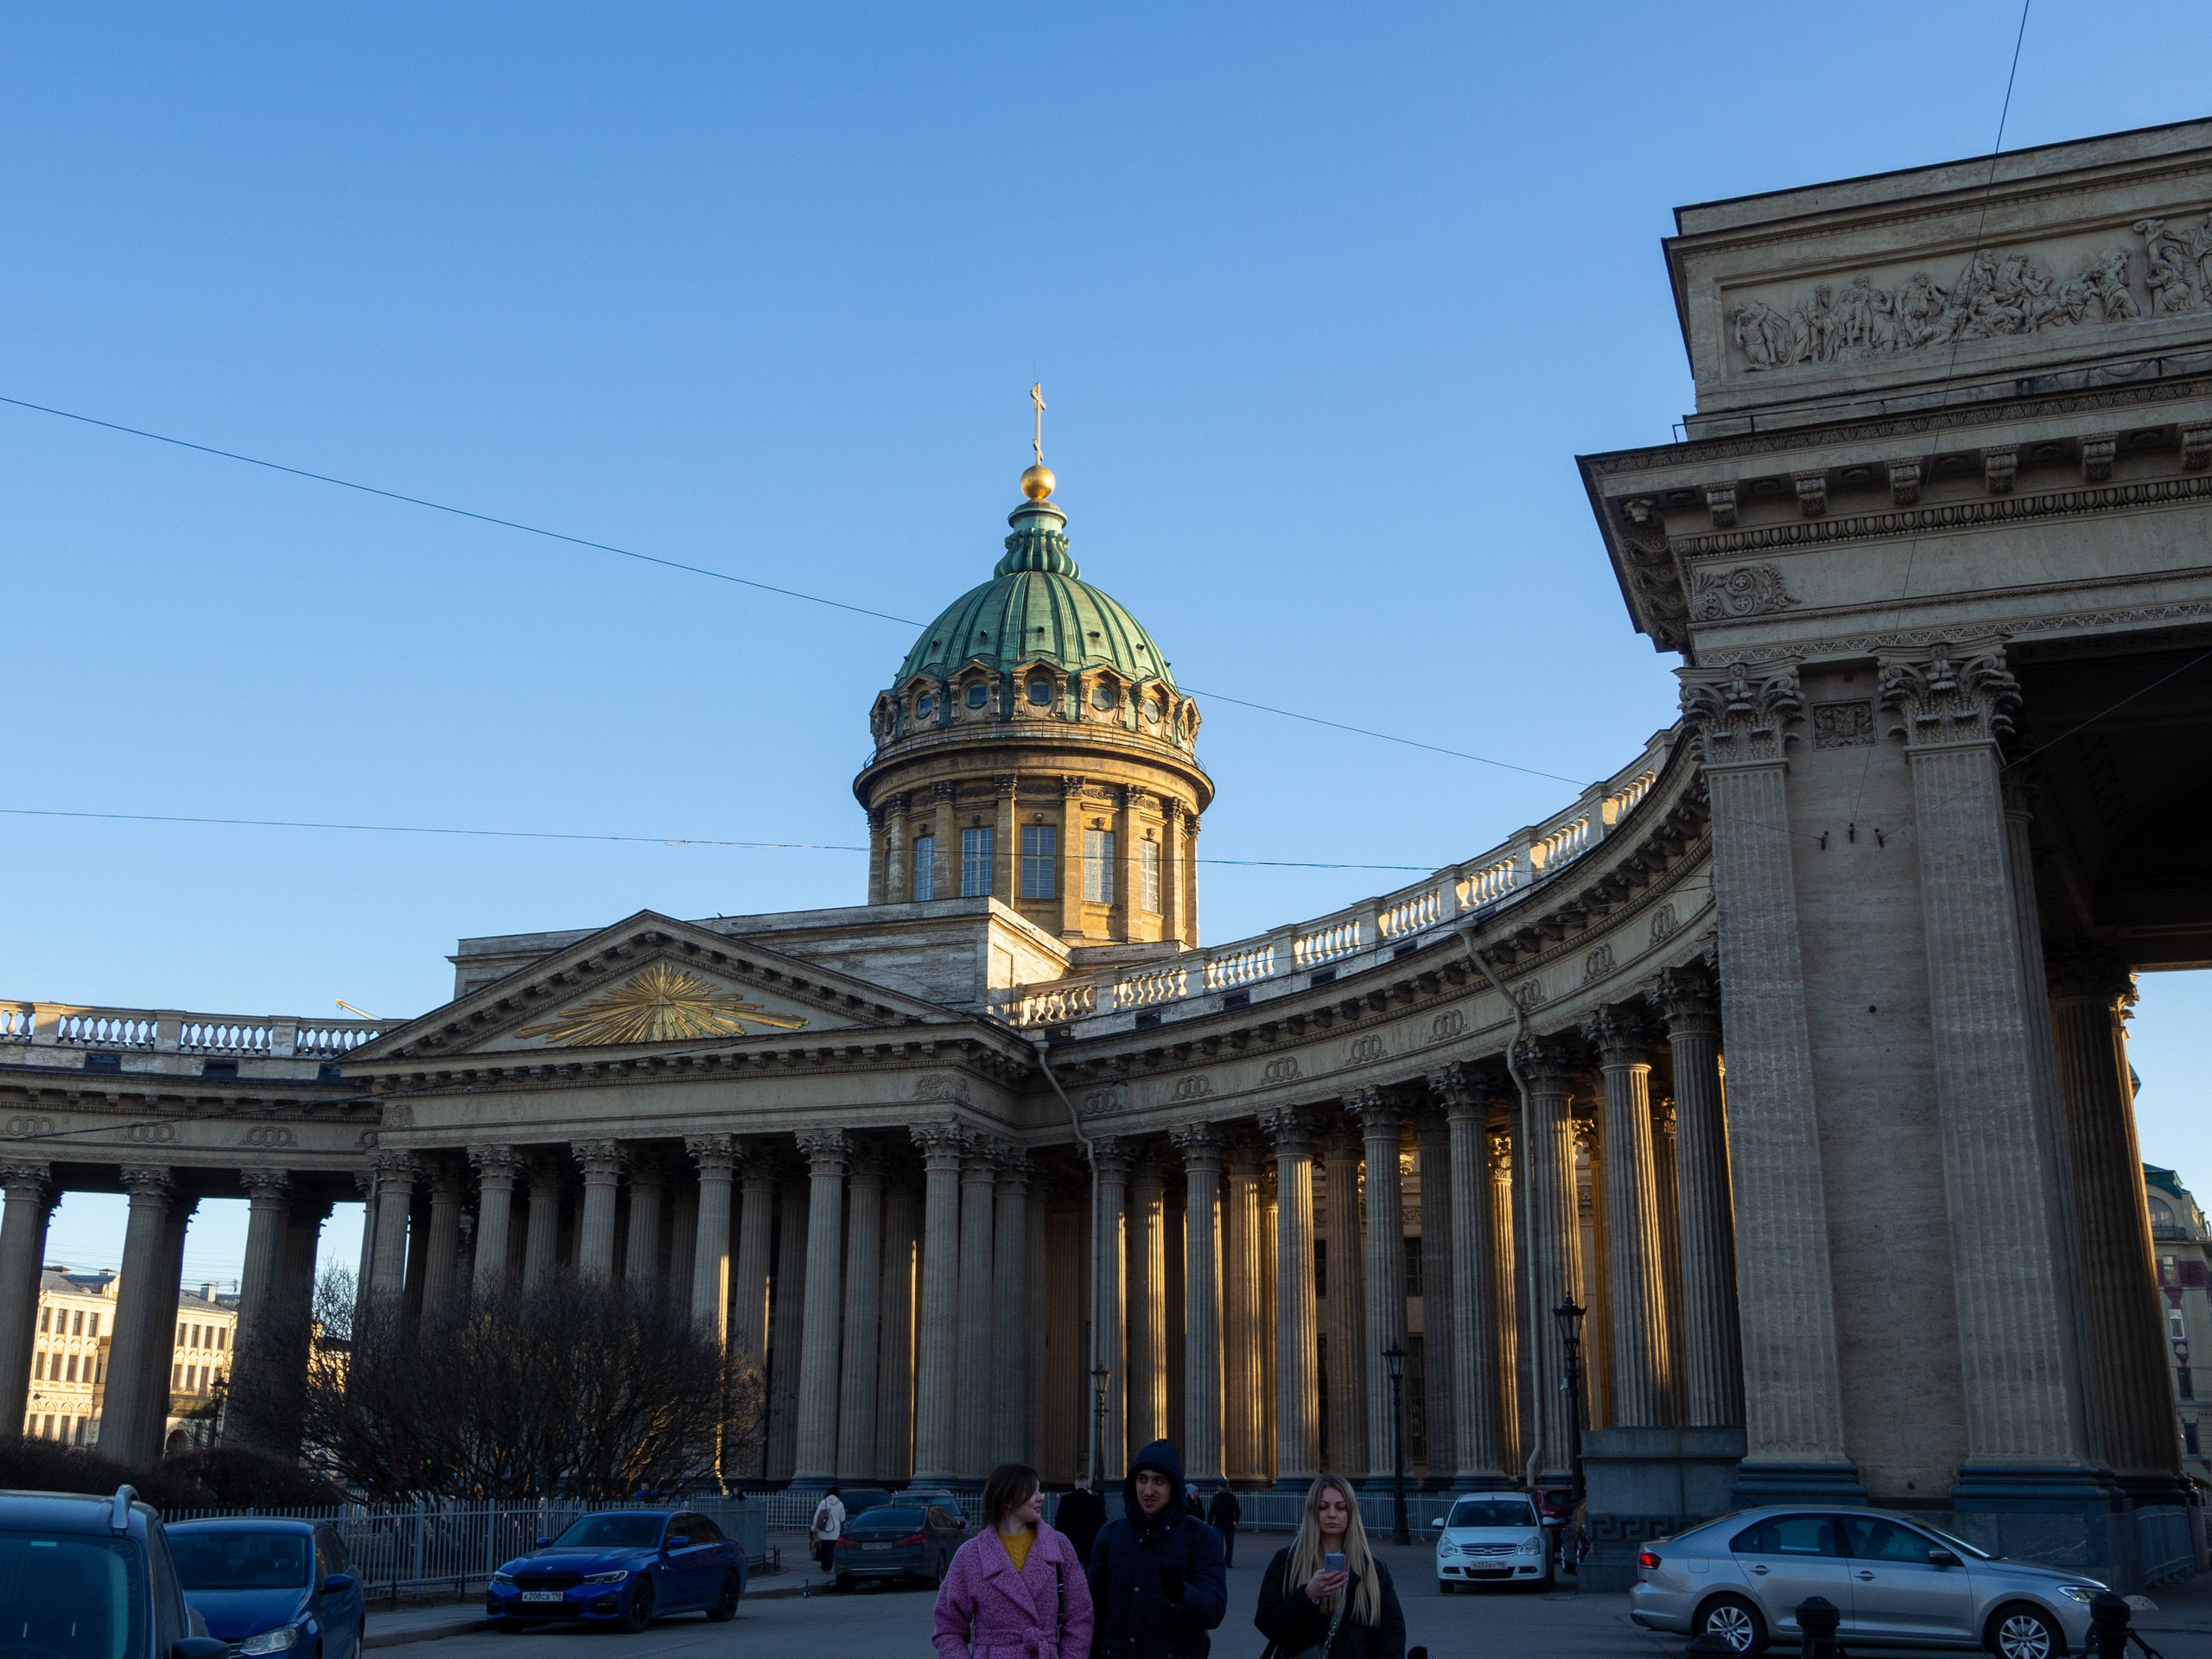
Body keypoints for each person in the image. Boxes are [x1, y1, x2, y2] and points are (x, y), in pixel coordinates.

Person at [932, 1462, 1094, 1659]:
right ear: (1007, 1499)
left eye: (1039, 1490)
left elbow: (1080, 1616)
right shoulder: (971, 1555)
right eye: (1032, 1491)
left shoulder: (1059, 1547)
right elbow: (948, 1627)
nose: (1040, 1498)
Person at [1085, 1439, 1227, 1659]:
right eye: (1142, 1480)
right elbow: (1091, 1615)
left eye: (1158, 1481)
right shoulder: (1109, 1536)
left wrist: (1183, 1595)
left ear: (1174, 1486)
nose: (1148, 1490)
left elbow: (1214, 1611)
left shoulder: (1200, 1537)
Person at [1254, 1475, 1405, 1659]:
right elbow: (1269, 1626)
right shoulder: (1287, 1561)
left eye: (1340, 1508)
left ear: (1351, 1513)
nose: (1332, 1514)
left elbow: (1391, 1634)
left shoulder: (1373, 1569)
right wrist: (1308, 1596)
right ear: (1312, 1512)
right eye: (1323, 1507)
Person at [1056, 1475, 1108, 1569]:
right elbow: (1102, 1522)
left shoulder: (1066, 1500)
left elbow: (1059, 1523)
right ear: (1087, 1484)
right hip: (1090, 1544)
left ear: (1075, 1484)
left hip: (1071, 1542)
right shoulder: (1095, 1501)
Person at [809, 1484, 845, 1579]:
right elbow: (842, 1518)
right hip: (835, 1530)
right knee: (831, 1550)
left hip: (823, 1529)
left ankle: (824, 1567)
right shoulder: (840, 1504)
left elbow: (817, 1516)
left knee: (824, 1549)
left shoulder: (823, 1502)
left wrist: (813, 1528)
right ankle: (829, 1568)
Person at [1205, 1484, 1242, 1568]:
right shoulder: (1216, 1497)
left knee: (1229, 1544)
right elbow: (1212, 1511)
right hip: (1219, 1524)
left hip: (1229, 1524)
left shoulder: (1231, 1497)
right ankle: (1220, 1561)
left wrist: (1236, 1520)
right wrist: (1209, 1523)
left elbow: (1237, 1510)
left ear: (1224, 1488)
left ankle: (1228, 1562)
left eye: (1219, 1487)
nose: (1217, 1488)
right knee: (1219, 1543)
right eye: (1217, 1487)